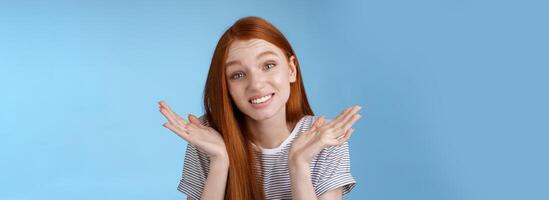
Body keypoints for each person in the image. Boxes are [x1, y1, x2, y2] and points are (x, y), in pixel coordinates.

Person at [158, 16, 363, 200]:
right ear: (225, 86)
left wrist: (299, 165)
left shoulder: (322, 137)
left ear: (291, 70)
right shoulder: (208, 137)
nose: (256, 84)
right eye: (238, 74)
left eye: (268, 65)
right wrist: (219, 160)